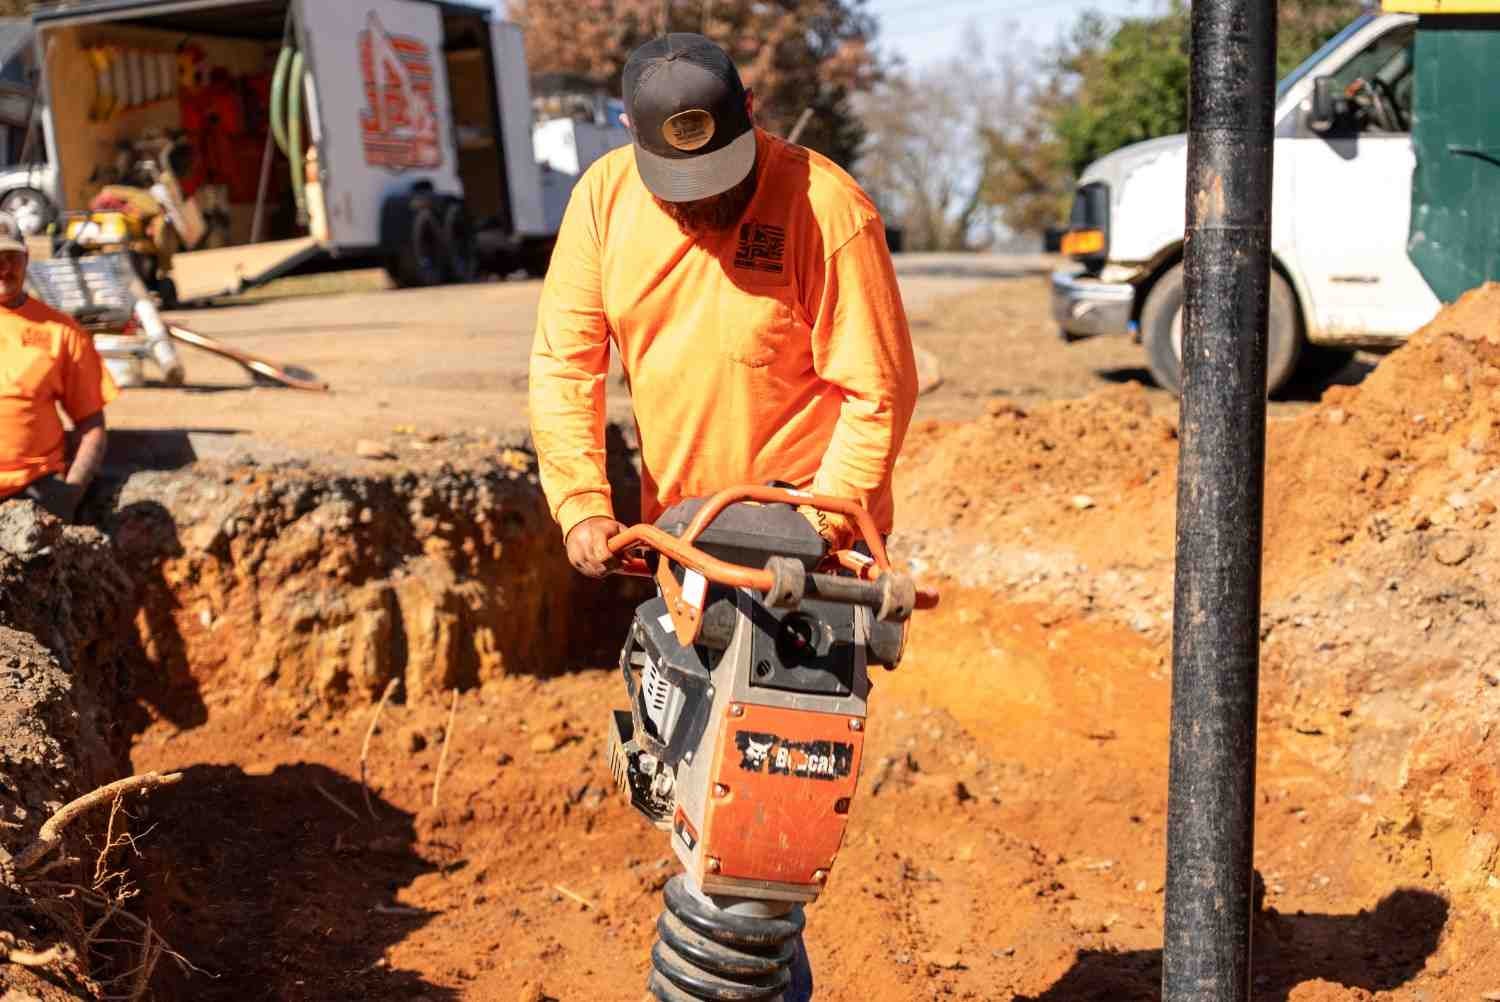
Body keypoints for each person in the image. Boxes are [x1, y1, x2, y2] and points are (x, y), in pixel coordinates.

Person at [529, 32, 918, 580]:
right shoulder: (603, 199)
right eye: (680, 182)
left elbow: (879, 390)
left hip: (815, 542)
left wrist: (819, 525)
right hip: (680, 538)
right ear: (629, 131)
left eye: (717, 173)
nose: (703, 198)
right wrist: (580, 506)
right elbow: (564, 366)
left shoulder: (827, 208)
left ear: (751, 109)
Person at [0, 211, 117, 523]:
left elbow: (92, 426)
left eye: (11, 255)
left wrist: (70, 493)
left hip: (34, 496)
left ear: (26, 258)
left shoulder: (61, 331)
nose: (4, 267)